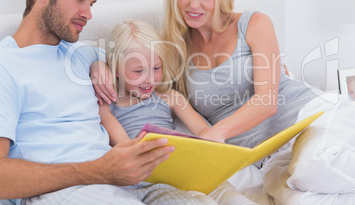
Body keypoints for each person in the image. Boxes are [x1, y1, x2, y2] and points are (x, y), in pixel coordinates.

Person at [93, 0, 355, 205]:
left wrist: (218, 132)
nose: (194, 4)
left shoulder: (253, 23)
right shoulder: (174, 46)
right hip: (267, 158)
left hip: (308, 120)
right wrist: (98, 65)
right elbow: (134, 64)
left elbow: (267, 101)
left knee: (315, 168)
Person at [0, 0, 222, 205]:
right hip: (67, 190)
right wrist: (100, 169)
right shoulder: (7, 65)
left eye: (92, 3)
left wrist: (99, 64)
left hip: (128, 181)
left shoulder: (82, 54)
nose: (88, 14)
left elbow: (129, 64)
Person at [99, 19, 258, 205]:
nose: (150, 79)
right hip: (150, 178)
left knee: (231, 196)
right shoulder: (108, 106)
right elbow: (126, 146)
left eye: (156, 68)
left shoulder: (169, 97)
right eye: (138, 71)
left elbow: (203, 132)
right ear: (115, 69)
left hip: (188, 169)